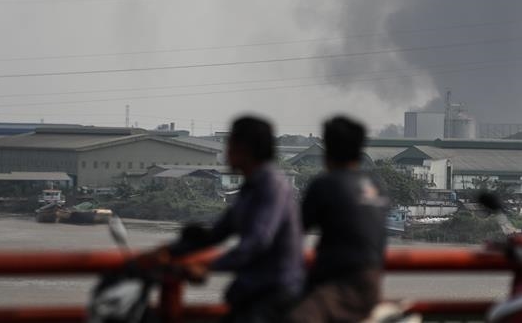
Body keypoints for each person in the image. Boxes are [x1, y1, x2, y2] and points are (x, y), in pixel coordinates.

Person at [159, 116, 304, 323]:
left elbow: (258, 240)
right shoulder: (249, 188)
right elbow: (217, 233)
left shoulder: (271, 185)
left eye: (230, 144)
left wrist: (208, 267)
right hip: (252, 293)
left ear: (244, 148)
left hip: (273, 295)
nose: (225, 152)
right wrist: (169, 250)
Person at [287, 116, 389, 323]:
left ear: (328, 150)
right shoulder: (376, 185)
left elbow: (294, 233)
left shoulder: (326, 184)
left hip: (338, 282)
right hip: (372, 283)